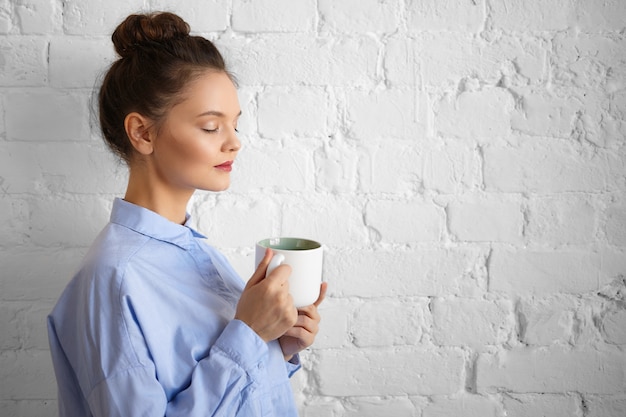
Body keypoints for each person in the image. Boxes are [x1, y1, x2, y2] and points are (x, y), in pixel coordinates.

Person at [47, 11, 327, 416]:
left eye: (235, 125)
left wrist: (275, 346)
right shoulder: (113, 279)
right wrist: (249, 335)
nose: (234, 143)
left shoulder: (196, 253)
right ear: (142, 133)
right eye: (212, 127)